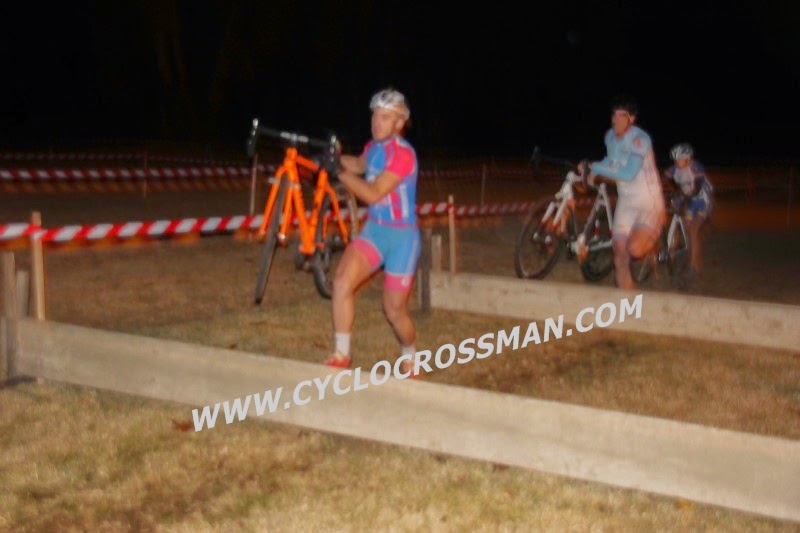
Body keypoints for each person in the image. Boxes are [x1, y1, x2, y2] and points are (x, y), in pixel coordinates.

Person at [325, 88, 420, 376]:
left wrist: (336, 171)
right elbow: (358, 164)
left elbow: (373, 193)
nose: (377, 122)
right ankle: (342, 354)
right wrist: (333, 157)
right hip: (375, 231)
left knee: (394, 311)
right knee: (341, 283)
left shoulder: (404, 155)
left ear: (399, 123)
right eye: (375, 116)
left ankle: (410, 353)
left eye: (385, 117)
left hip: (402, 239)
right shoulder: (374, 147)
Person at [581, 95, 666, 290]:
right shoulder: (610, 137)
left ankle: (655, 239)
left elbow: (628, 174)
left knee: (634, 249)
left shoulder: (640, 139)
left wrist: (595, 167)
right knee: (619, 253)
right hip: (626, 201)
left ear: (632, 119)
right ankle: (626, 301)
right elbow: (610, 162)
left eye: (622, 115)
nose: (616, 119)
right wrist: (590, 169)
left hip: (648, 201)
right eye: (614, 115)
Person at [664, 142, 714, 279]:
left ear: (688, 158)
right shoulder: (674, 168)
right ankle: (677, 251)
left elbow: (696, 188)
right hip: (686, 198)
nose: (677, 162)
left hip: (702, 201)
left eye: (680, 159)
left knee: (693, 231)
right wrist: (674, 190)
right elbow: (668, 178)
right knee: (681, 222)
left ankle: (694, 267)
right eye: (675, 160)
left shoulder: (696, 167)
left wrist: (682, 195)